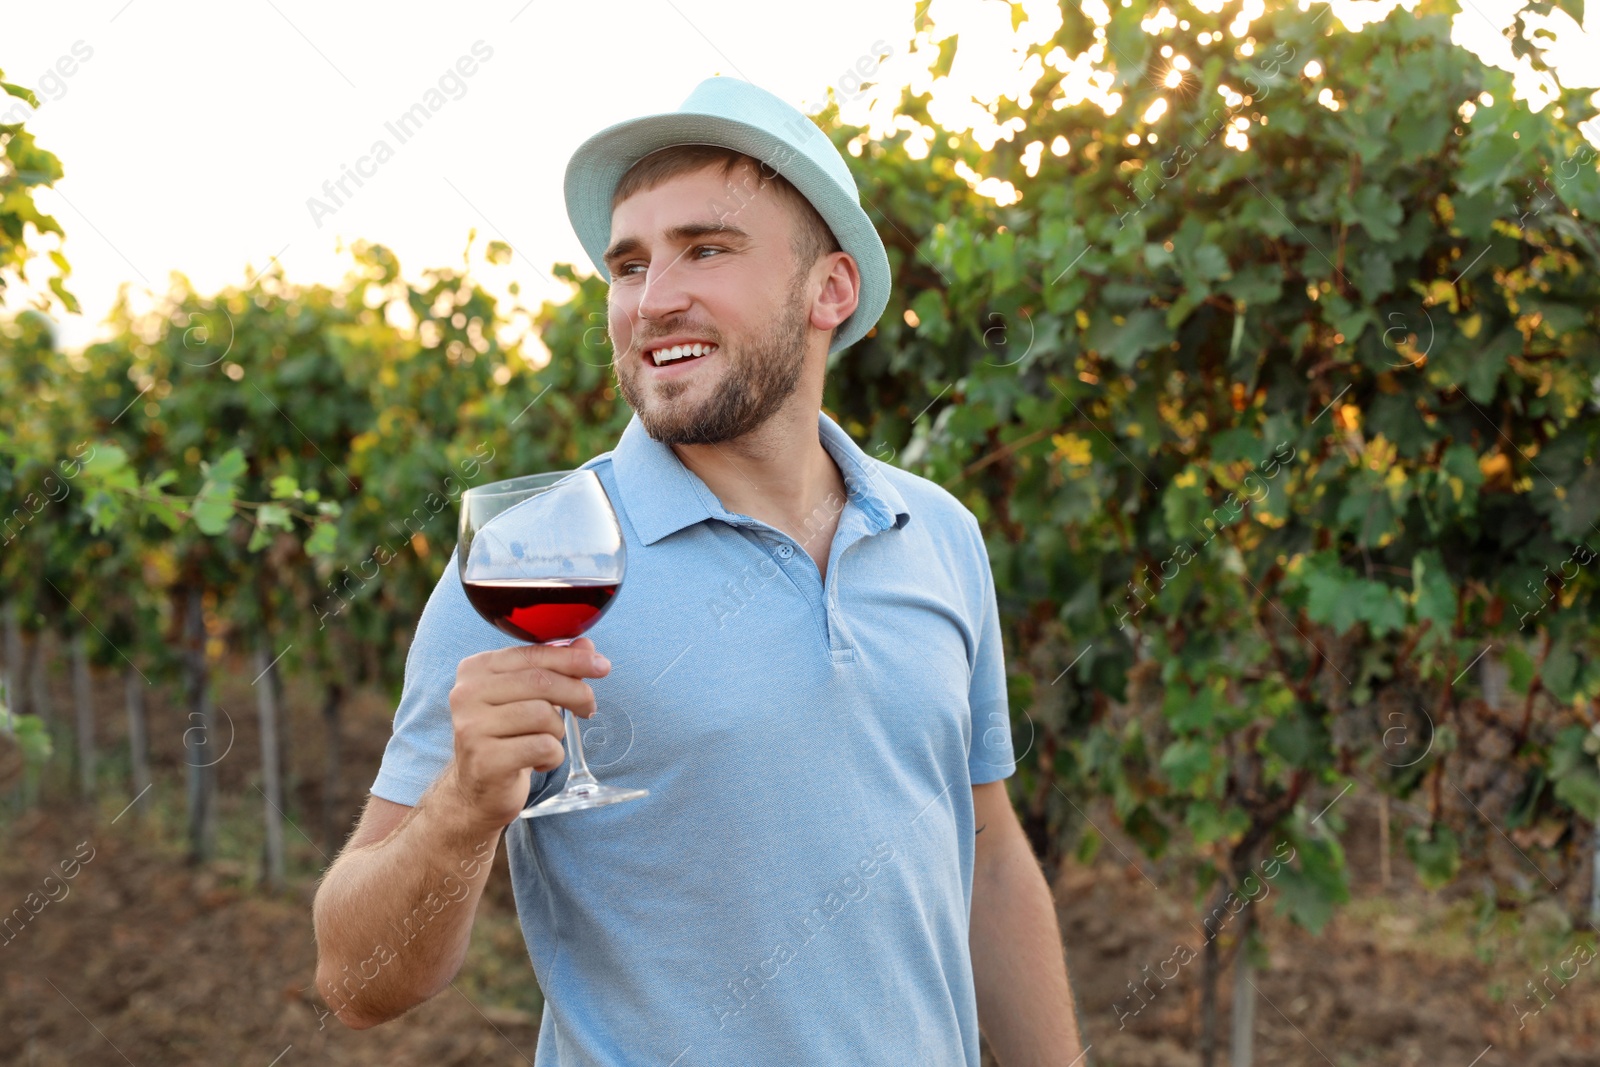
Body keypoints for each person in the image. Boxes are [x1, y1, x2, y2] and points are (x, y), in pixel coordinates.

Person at [312, 74, 1084, 1065]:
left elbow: (985, 848)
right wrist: (460, 809)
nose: (652, 298)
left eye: (706, 249)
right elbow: (354, 981)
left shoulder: (934, 531)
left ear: (829, 289)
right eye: (627, 264)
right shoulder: (533, 553)